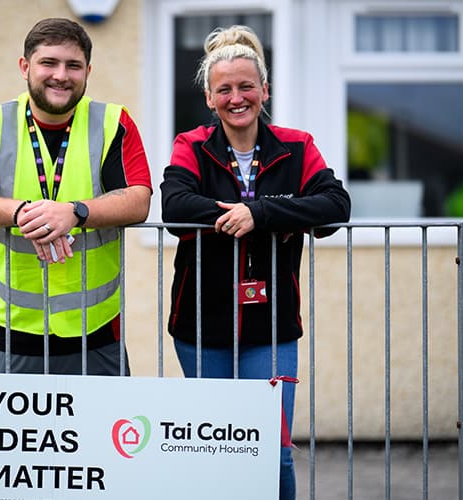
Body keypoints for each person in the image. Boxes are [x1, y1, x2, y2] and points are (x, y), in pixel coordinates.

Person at [160, 25, 350, 499]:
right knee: (213, 446)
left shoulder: (297, 145)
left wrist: (259, 212)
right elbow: (175, 206)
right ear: (209, 97)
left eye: (246, 86)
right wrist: (253, 216)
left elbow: (334, 206)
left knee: (272, 447)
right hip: (201, 326)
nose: (236, 97)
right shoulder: (192, 144)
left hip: (272, 327)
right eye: (224, 89)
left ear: (265, 90)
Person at [0, 17, 152, 375]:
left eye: (73, 65)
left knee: (104, 432)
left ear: (88, 70)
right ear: (25, 66)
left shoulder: (114, 122)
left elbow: (139, 199)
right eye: (49, 63)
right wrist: (24, 212)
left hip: (96, 329)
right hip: (8, 326)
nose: (61, 75)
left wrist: (75, 212)